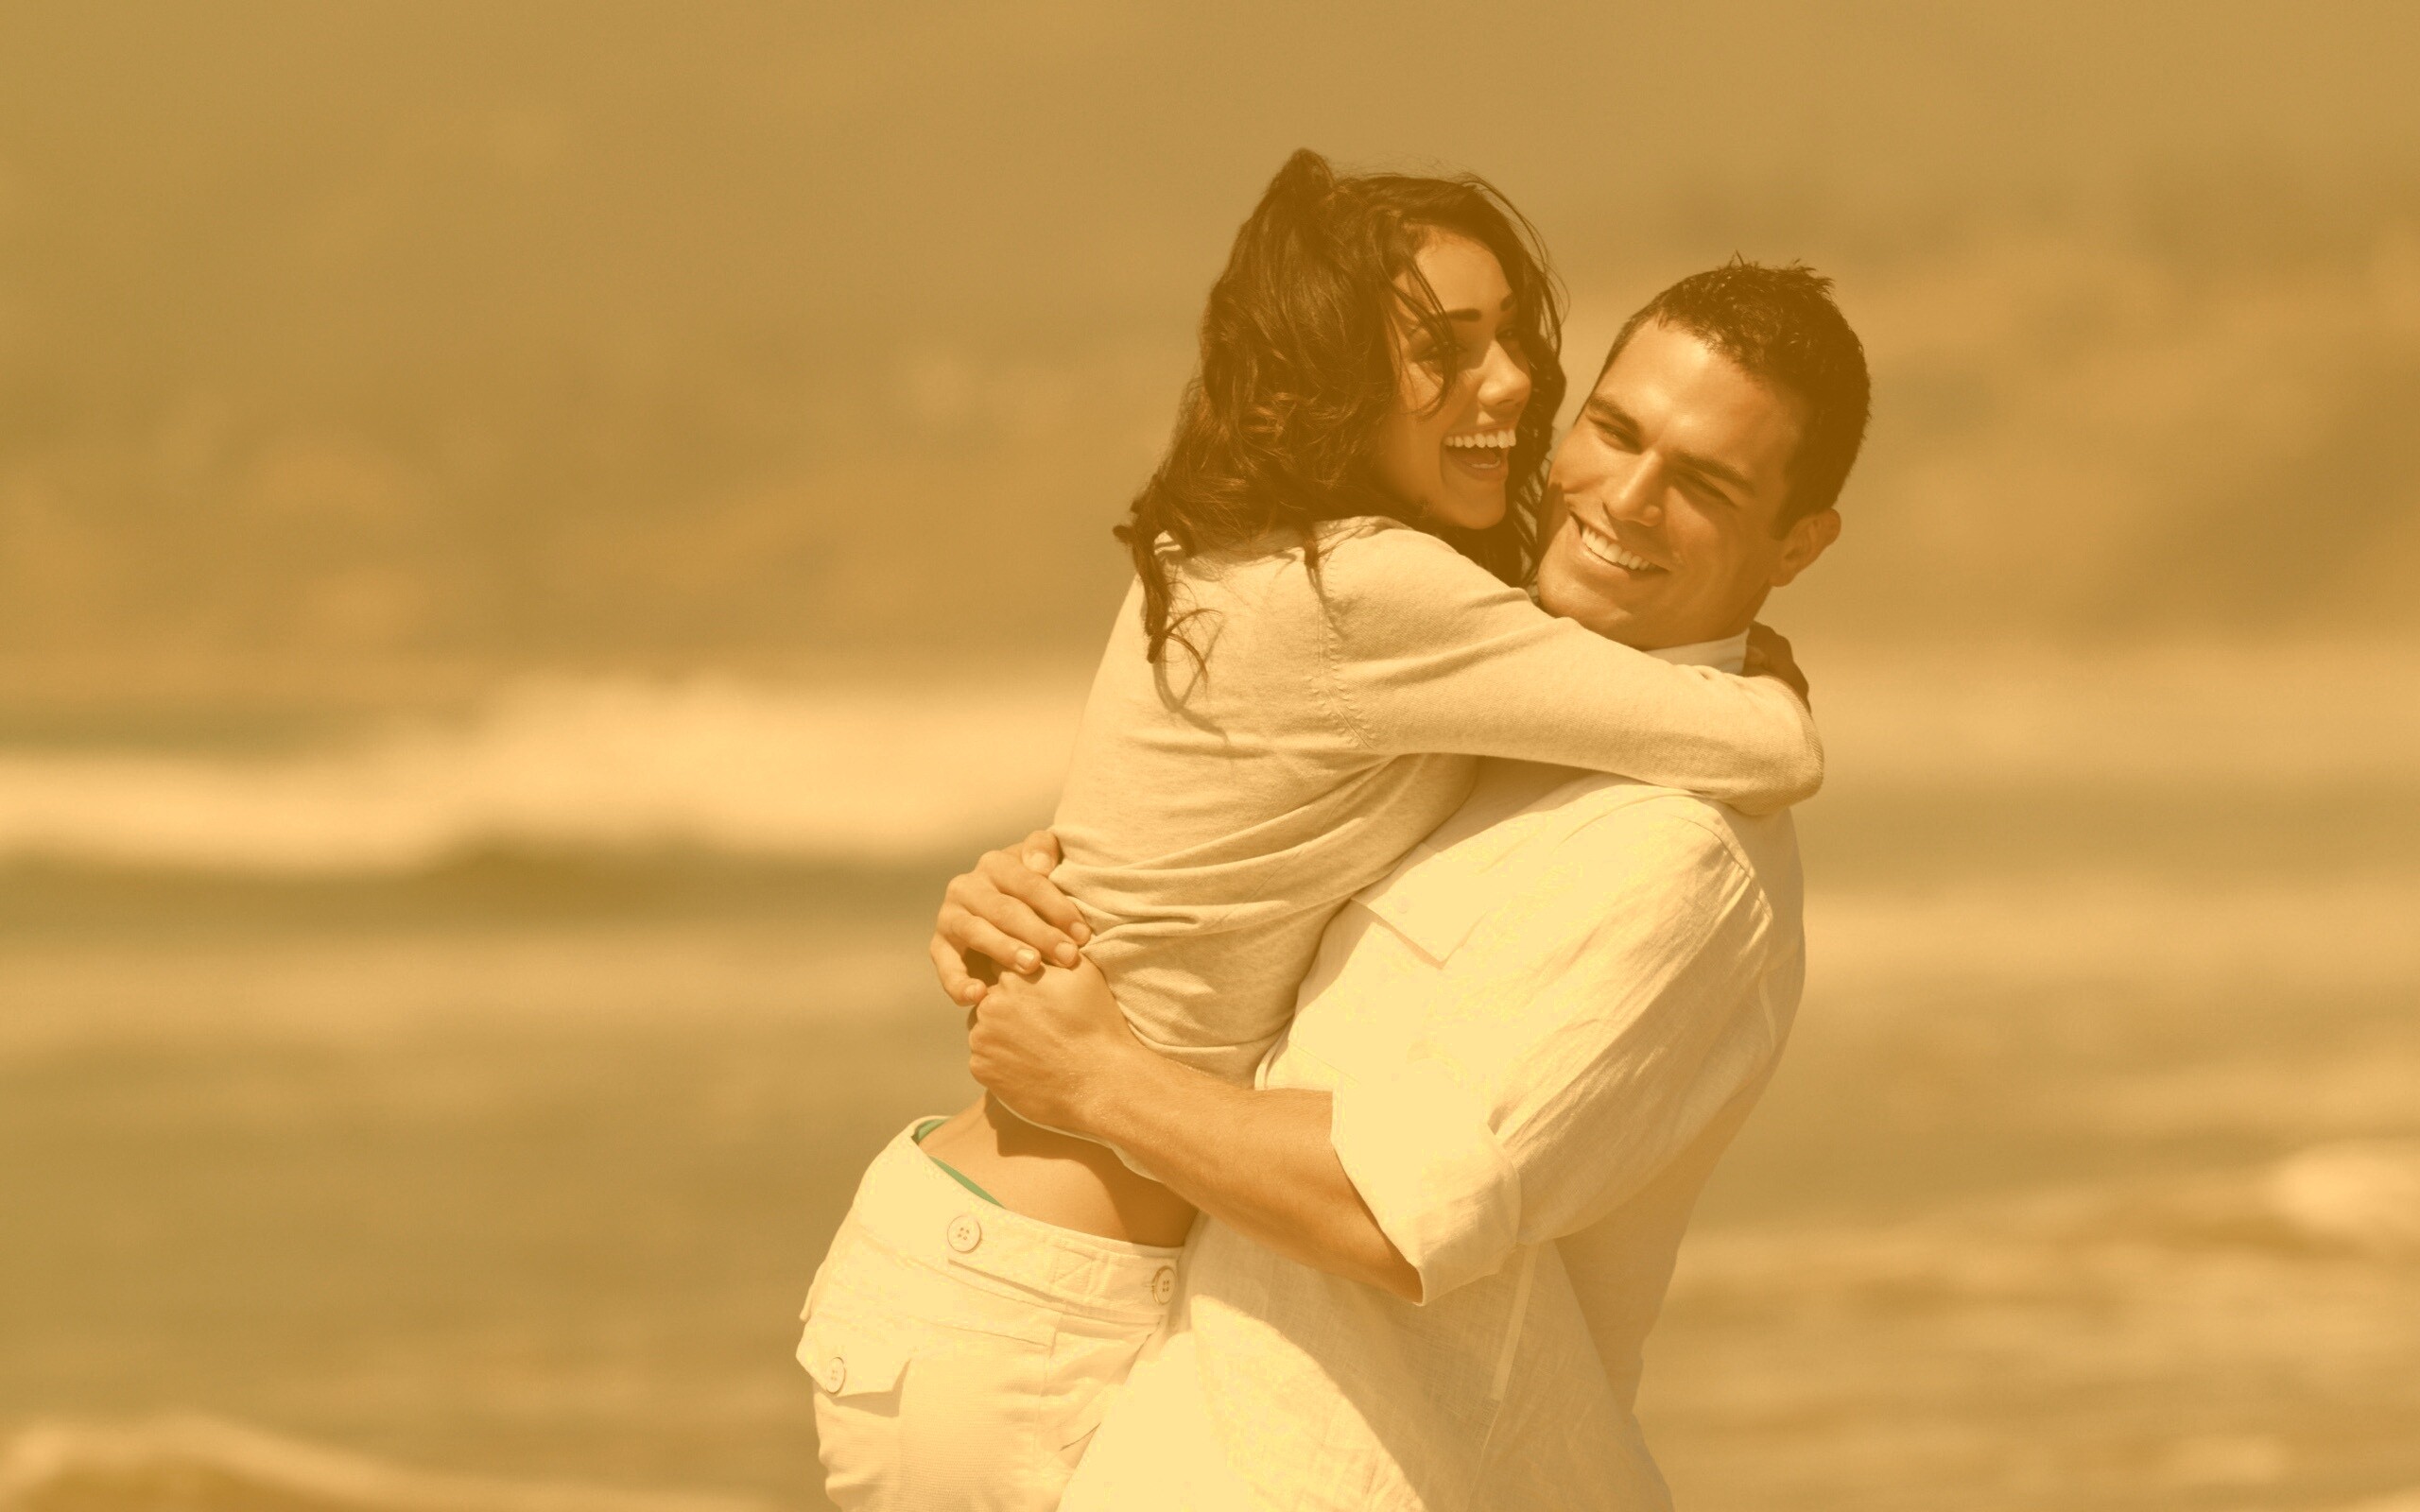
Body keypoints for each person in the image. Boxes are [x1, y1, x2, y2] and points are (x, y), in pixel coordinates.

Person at [797, 149, 1822, 1512]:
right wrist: (1768, 684)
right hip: (1034, 1298)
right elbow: (1766, 750)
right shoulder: (1366, 594)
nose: (1509, 383)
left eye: (1512, 336)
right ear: (1331, 372)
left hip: (1019, 1260)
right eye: (1443, 349)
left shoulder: (1310, 576)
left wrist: (1023, 912)